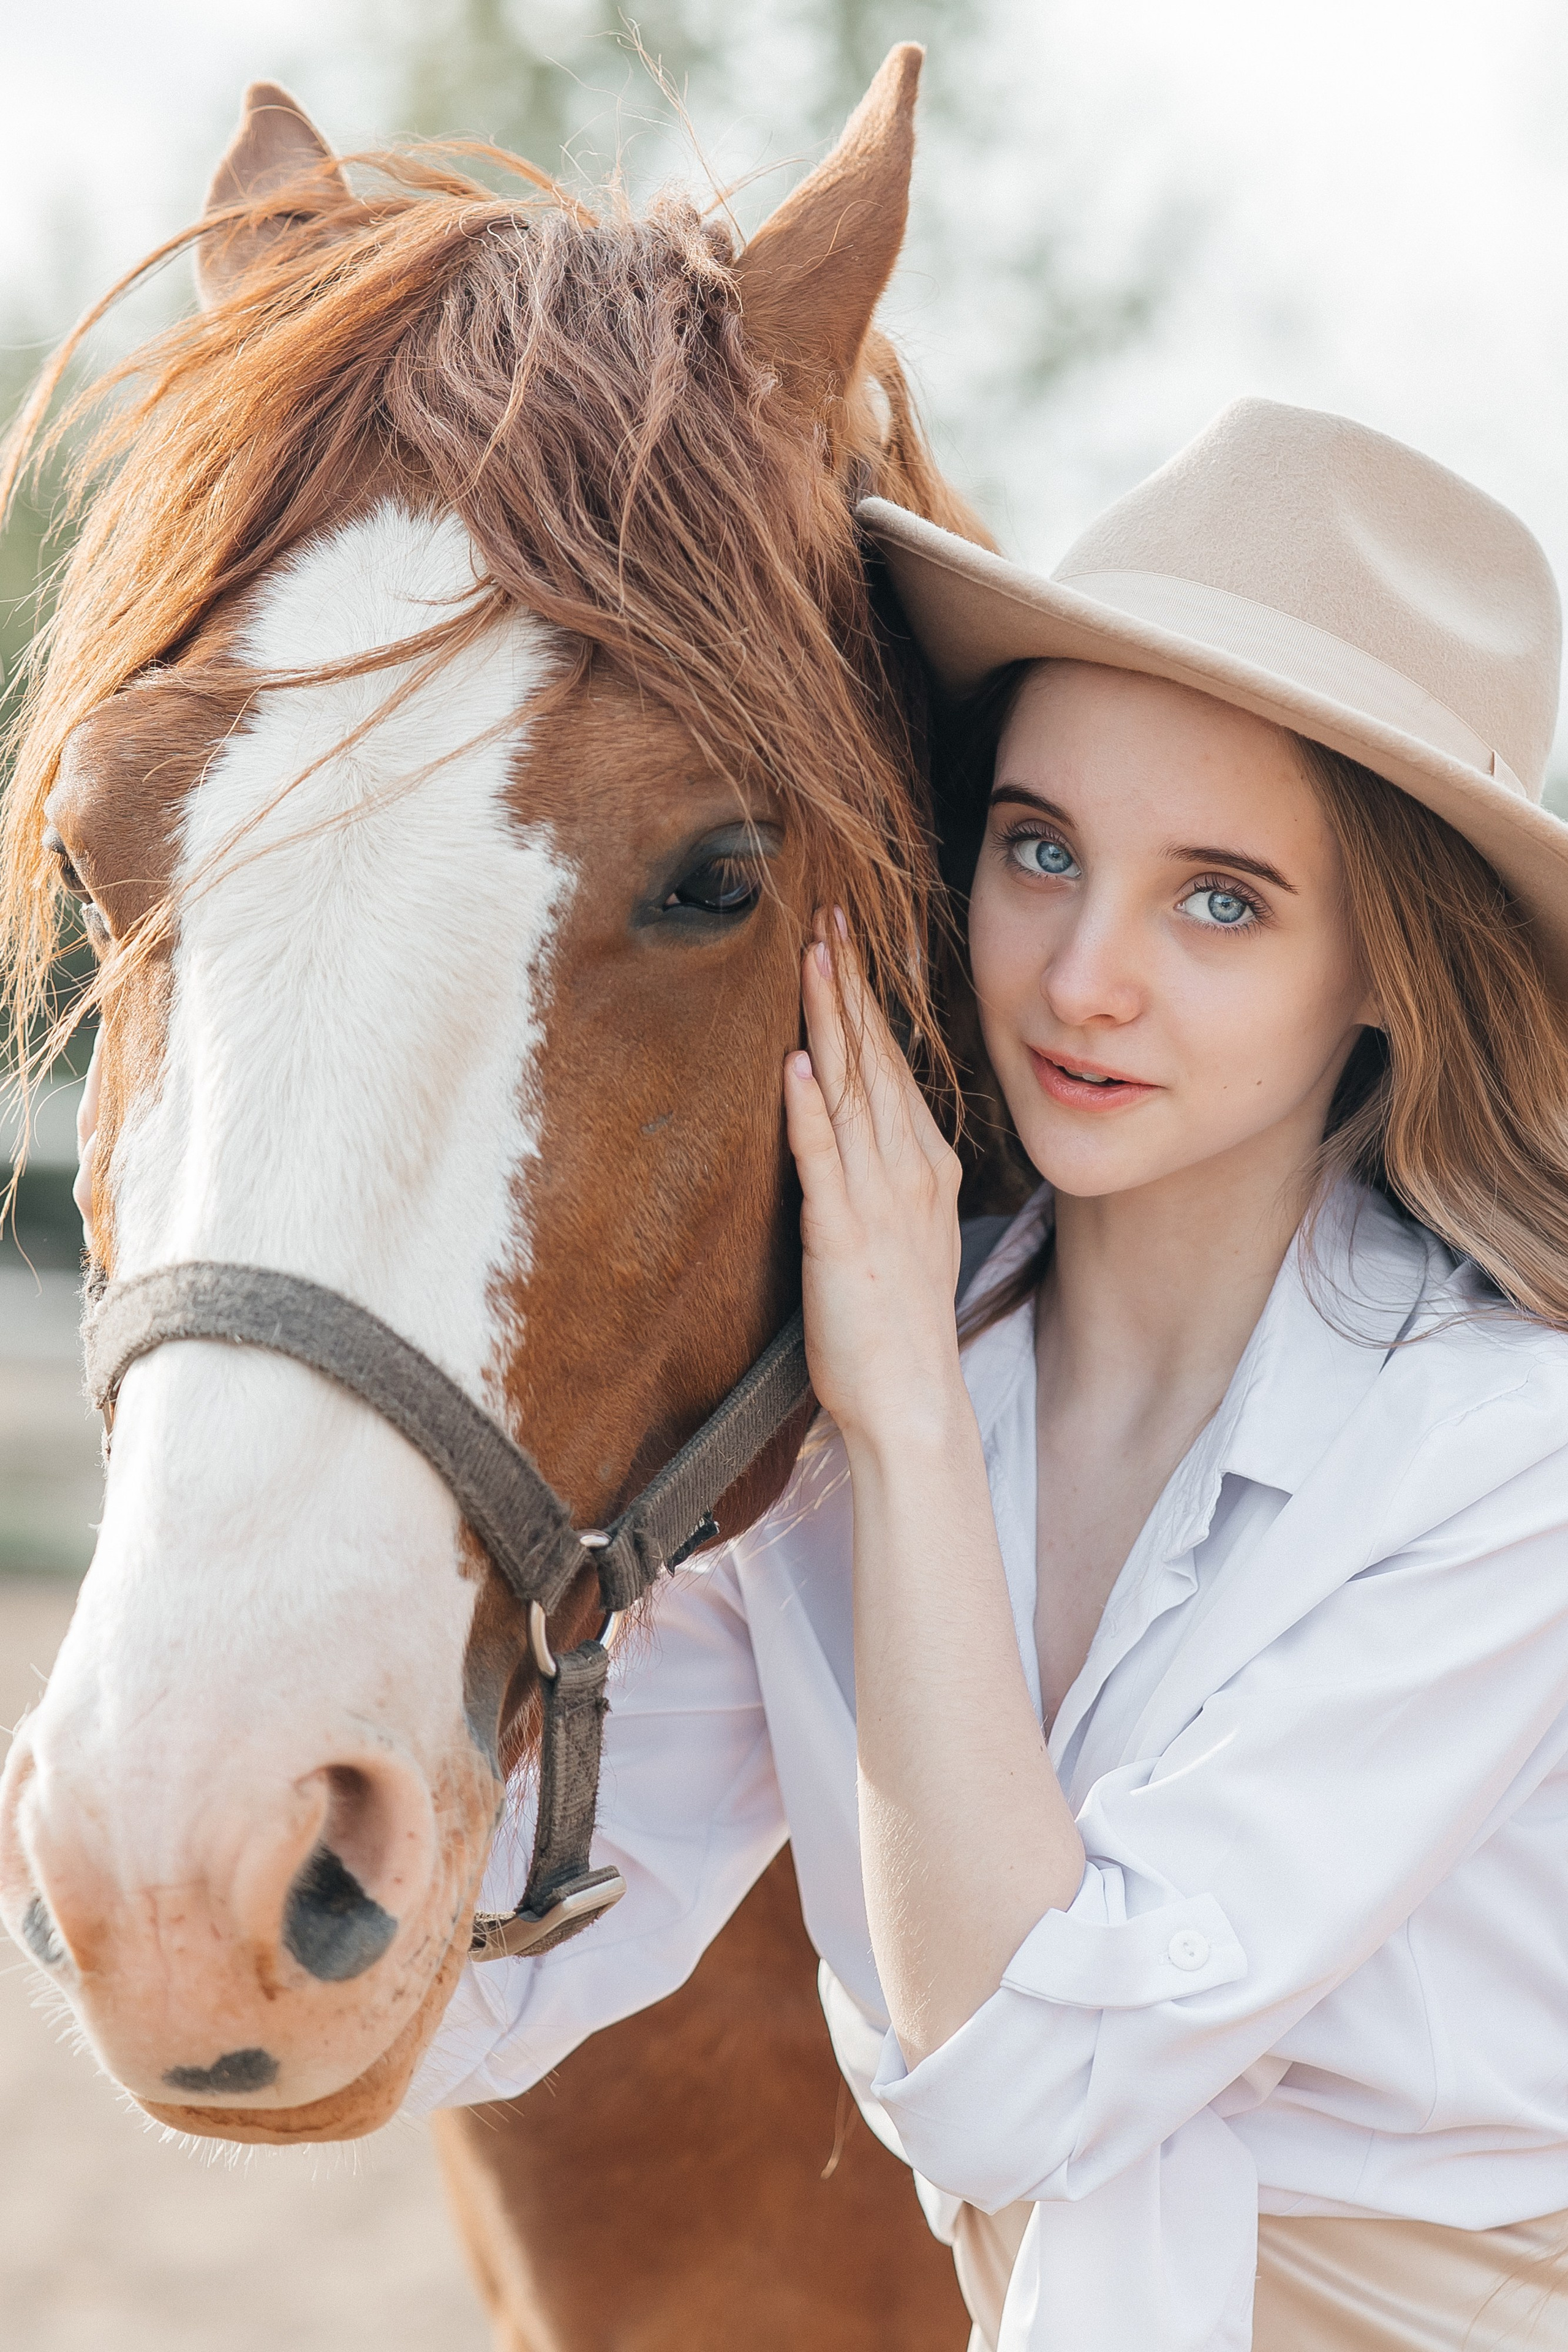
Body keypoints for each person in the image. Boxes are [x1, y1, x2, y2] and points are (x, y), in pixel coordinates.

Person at [91, 399, 1568, 2348]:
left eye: (1221, 898)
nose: (1082, 975)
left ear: (1387, 963)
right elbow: (518, 1966)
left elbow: (1035, 2082)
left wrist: (909, 1425)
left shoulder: (1497, 1460)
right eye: (1040, 849)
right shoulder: (860, 1406)